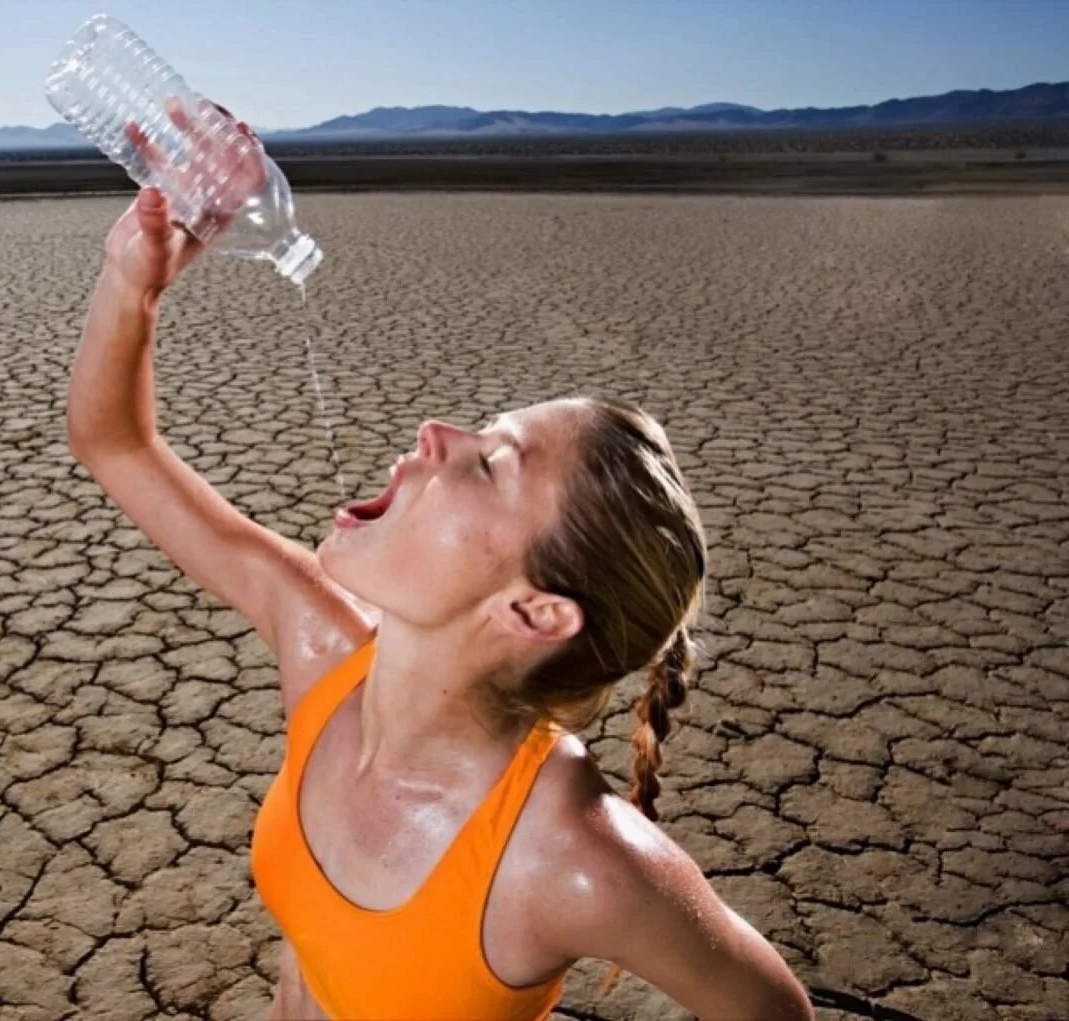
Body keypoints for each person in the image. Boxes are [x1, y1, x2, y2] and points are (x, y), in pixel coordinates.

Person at [65, 106, 816, 1021]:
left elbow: (774, 1011)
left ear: (534, 612)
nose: (436, 433)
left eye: (493, 461)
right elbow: (116, 446)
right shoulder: (324, 650)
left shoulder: (569, 858)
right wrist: (131, 278)